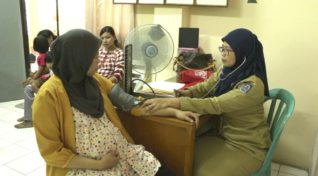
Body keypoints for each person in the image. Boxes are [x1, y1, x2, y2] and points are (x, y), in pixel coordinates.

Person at [32, 29, 191, 176]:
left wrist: (174, 112)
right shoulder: (47, 97)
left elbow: (132, 104)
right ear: (77, 59)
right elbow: (52, 153)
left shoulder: (96, 81)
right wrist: (100, 165)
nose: (99, 62)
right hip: (87, 168)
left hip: (123, 153)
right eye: (94, 57)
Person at [141, 28, 272, 176]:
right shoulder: (227, 72)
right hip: (222, 135)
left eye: (228, 50)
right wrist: (189, 92)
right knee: (176, 155)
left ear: (243, 53)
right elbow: (206, 86)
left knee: (196, 169)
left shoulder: (252, 85)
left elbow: (215, 104)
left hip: (246, 146)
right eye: (222, 48)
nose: (223, 52)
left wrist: (174, 103)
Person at [15, 52, 53, 128]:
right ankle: (28, 116)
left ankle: (29, 118)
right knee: (28, 88)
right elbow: (45, 74)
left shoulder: (58, 70)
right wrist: (32, 80)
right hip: (47, 85)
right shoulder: (50, 68)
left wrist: (35, 85)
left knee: (30, 87)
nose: (48, 65)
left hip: (51, 90)